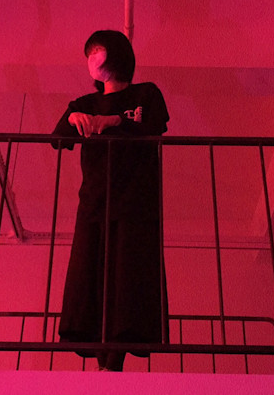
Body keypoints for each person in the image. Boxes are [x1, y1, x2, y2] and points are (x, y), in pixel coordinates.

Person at [51, 30, 169, 371]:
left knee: (128, 273)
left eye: (98, 52)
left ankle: (115, 360)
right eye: (89, 54)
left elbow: (155, 126)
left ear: (115, 55)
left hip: (136, 200)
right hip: (94, 200)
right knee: (91, 270)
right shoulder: (84, 104)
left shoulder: (145, 93)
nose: (93, 60)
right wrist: (73, 118)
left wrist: (115, 120)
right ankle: (102, 361)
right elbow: (57, 139)